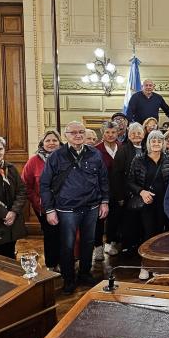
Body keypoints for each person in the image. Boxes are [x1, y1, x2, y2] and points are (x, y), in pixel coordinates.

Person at [40, 122, 109, 294]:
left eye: (81, 132)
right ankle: (68, 279)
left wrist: (105, 201)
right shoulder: (56, 156)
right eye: (73, 132)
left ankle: (85, 274)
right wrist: (49, 209)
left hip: (92, 207)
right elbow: (45, 184)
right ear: (66, 136)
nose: (78, 135)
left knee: (88, 243)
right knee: (67, 245)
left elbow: (103, 179)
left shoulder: (95, 154)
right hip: (66, 210)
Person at [126, 130, 169, 278]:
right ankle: (145, 265)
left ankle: (158, 265)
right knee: (148, 234)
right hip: (146, 203)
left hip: (164, 203)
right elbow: (129, 181)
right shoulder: (139, 159)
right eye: (153, 141)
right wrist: (141, 192)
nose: (156, 143)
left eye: (159, 141)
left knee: (161, 234)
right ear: (148, 143)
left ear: (163, 143)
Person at [22, 129, 63, 269]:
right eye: (48, 140)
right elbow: (25, 185)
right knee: (51, 236)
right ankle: (51, 265)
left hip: (67, 206)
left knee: (66, 236)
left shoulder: (67, 157)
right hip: (44, 207)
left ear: (60, 142)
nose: (51, 143)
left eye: (54, 140)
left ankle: (65, 263)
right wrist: (37, 201)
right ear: (42, 143)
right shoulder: (33, 161)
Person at [111, 122, 144, 252]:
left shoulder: (147, 148)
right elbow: (116, 174)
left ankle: (141, 246)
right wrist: (119, 195)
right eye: (133, 133)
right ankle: (128, 246)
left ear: (143, 134)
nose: (136, 135)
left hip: (142, 192)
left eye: (139, 133)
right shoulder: (123, 150)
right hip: (127, 192)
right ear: (128, 135)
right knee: (128, 221)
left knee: (142, 221)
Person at [93, 121, 121, 260]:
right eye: (107, 132)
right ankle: (98, 247)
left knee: (115, 218)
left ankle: (110, 243)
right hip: (100, 191)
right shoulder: (95, 149)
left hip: (117, 191)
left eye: (113, 132)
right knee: (99, 219)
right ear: (102, 133)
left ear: (118, 133)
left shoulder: (122, 147)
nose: (110, 135)